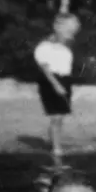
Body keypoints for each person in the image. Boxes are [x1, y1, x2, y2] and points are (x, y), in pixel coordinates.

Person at [33, 13, 81, 159]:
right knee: (56, 116)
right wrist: (56, 85)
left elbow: (66, 66)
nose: (70, 36)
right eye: (68, 31)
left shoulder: (66, 48)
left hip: (65, 79)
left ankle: (54, 142)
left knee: (60, 116)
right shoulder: (44, 47)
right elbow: (45, 69)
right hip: (50, 80)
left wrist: (64, 85)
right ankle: (56, 148)